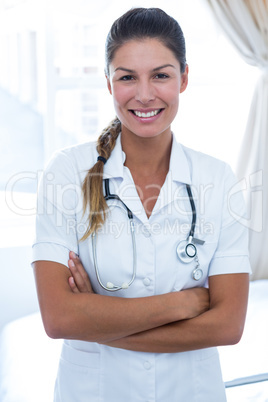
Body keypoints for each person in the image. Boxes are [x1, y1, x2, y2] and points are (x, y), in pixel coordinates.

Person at [32, 7, 251, 402]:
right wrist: (184, 303)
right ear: (108, 82)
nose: (145, 94)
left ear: (184, 78)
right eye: (127, 77)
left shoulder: (217, 180)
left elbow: (228, 326)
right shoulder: (66, 173)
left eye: (161, 75)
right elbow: (60, 318)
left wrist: (98, 319)